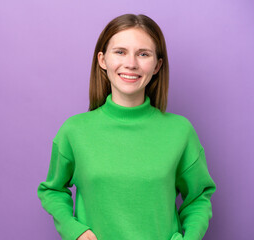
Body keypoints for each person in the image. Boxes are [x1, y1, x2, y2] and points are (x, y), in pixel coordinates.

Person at [37, 13, 216, 240]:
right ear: (103, 60)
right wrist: (75, 231)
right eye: (120, 52)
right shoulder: (74, 131)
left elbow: (199, 197)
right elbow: (52, 190)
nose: (131, 63)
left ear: (157, 65)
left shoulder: (180, 131)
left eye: (143, 54)